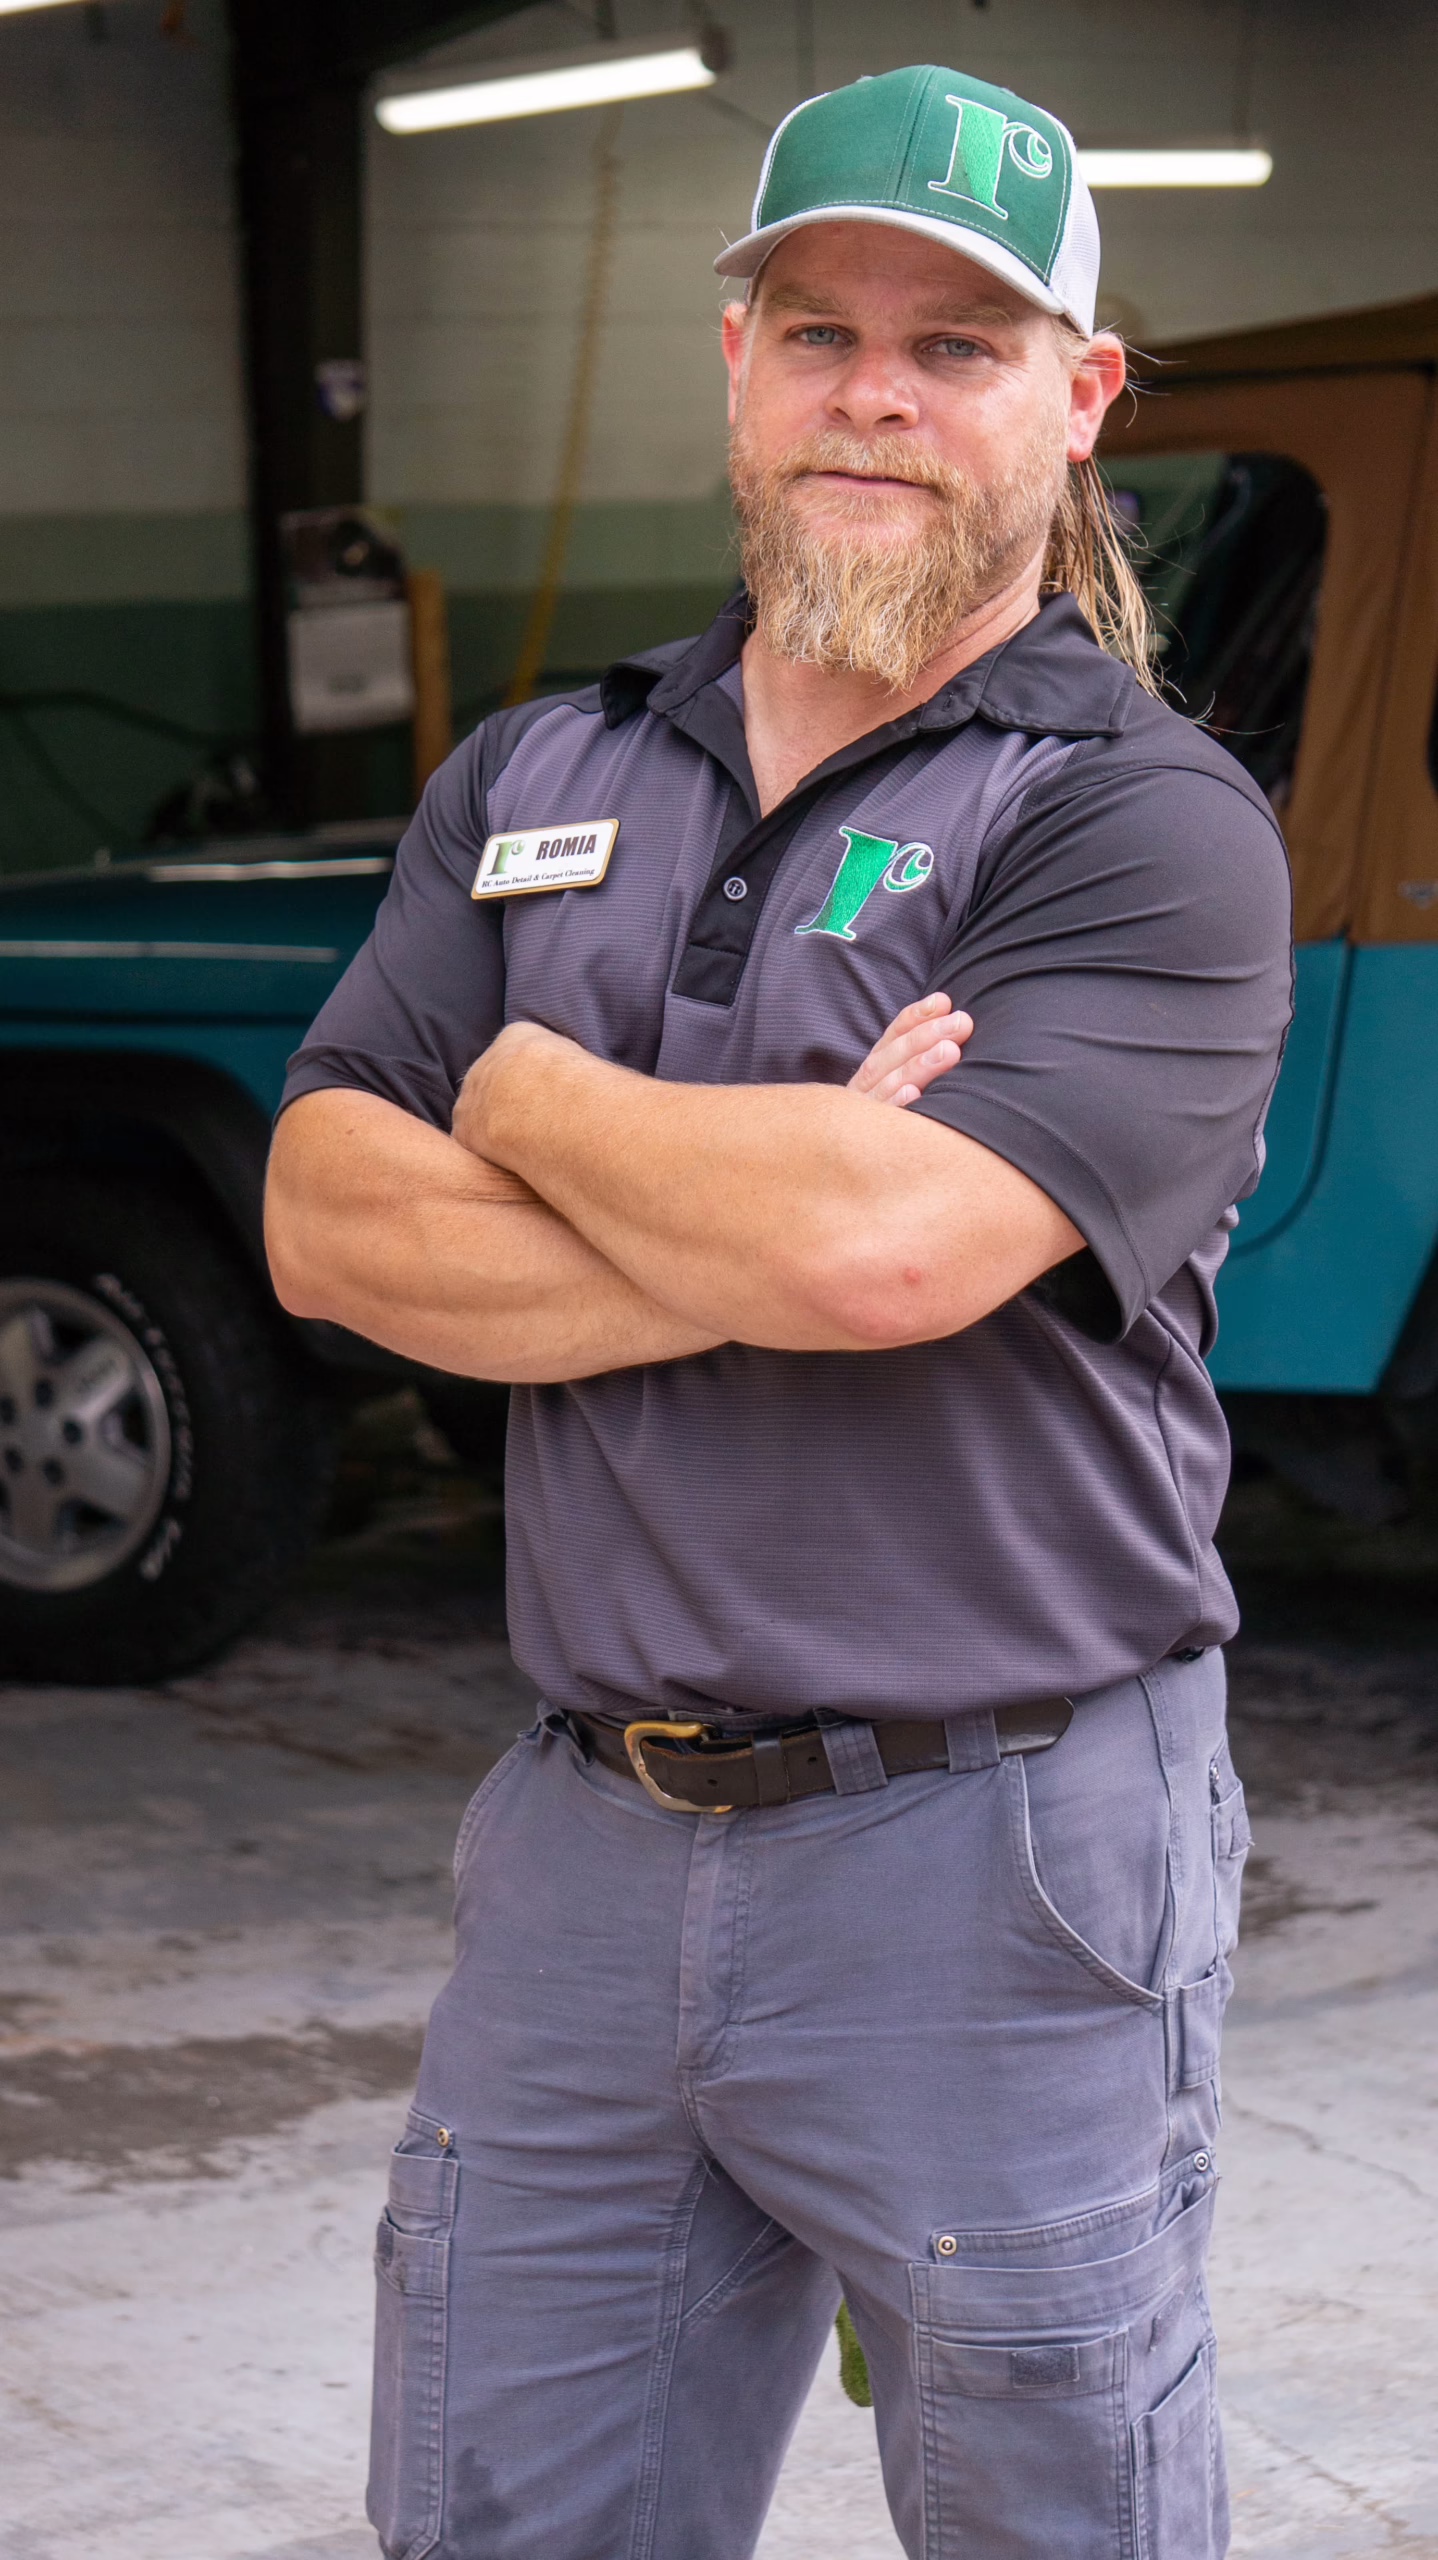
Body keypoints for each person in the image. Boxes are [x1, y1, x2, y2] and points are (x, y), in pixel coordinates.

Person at [265, 61, 1290, 2560]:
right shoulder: (543, 760)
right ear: (733, 358)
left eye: (954, 345)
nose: (873, 392)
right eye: (818, 324)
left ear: (1076, 397)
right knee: (509, 2517)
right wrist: (764, 1193)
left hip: (997, 1841)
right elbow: (317, 1215)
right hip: (582, 1845)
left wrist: (515, 1079)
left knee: (1054, 2519)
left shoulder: (1133, 815)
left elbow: (887, 1250)